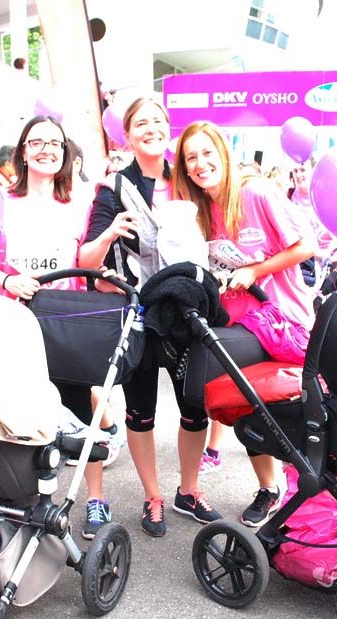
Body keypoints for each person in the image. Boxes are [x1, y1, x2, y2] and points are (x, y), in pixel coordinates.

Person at [80, 97, 220, 537]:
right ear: (127, 134)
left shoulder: (190, 179)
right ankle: (153, 495)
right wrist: (109, 234)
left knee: (195, 407)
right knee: (140, 412)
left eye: (158, 120)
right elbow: (87, 258)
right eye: (141, 123)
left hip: (186, 313)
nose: (151, 128)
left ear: (168, 127)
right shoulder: (113, 188)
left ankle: (189, 489)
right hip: (139, 312)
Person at [0, 115, 114, 541]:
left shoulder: (79, 204)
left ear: (65, 153)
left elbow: (86, 264)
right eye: (37, 142)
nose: (46, 149)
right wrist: (5, 280)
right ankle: (22, 496)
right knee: (18, 412)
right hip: (14, 322)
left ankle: (94, 499)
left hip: (64, 321)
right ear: (22, 150)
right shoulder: (0, 203)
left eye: (55, 143)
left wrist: (107, 236)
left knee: (78, 410)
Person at [173, 120, 317, 528]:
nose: (200, 164)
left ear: (223, 152)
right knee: (243, 404)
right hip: (241, 325)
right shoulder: (200, 211)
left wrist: (256, 271)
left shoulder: (255, 192)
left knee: (212, 371)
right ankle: (270, 488)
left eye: (206, 153)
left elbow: (306, 246)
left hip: (281, 322)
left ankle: (295, 482)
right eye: (191, 158)